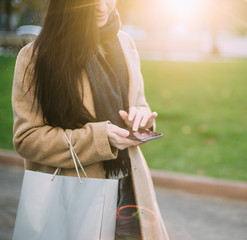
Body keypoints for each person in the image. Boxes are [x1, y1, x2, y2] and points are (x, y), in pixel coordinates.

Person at [12, 0, 169, 239]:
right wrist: (99, 138)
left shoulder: (125, 43)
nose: (103, 6)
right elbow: (27, 138)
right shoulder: (35, 57)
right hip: (75, 199)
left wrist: (141, 120)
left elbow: (138, 102)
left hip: (130, 192)